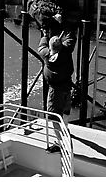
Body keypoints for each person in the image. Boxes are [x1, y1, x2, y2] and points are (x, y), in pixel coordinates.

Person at [38, 14, 75, 154]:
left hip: (55, 91)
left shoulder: (45, 53)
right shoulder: (66, 51)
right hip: (67, 86)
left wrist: (45, 34)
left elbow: (42, 44)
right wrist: (62, 22)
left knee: (54, 116)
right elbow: (71, 37)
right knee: (65, 111)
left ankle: (60, 143)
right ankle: (66, 131)